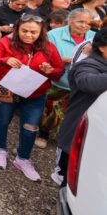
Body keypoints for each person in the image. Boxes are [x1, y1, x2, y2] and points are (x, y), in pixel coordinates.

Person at [0, 14, 65, 181]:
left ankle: (23, 158)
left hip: (35, 95)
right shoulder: (5, 43)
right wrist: (5, 60)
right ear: (17, 29)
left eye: (33, 32)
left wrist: (50, 71)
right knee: (2, 120)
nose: (28, 35)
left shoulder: (48, 47)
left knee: (31, 127)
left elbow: (59, 72)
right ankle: (1, 150)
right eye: (24, 31)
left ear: (41, 32)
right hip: (7, 91)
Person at [35, 8, 96, 148]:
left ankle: (65, 137)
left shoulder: (93, 37)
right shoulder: (54, 35)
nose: (84, 26)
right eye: (80, 21)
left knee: (74, 112)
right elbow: (42, 55)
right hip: (58, 80)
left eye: (88, 23)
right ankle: (43, 133)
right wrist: (63, 60)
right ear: (70, 21)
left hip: (81, 82)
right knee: (50, 108)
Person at [56, 28, 107, 186]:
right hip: (81, 131)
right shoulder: (87, 65)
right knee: (74, 180)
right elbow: (89, 83)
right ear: (103, 47)